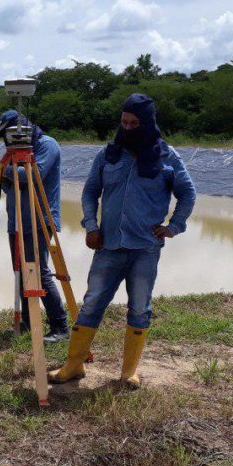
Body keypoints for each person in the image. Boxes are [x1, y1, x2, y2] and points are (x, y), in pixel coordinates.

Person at [49, 93, 196, 387]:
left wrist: (173, 227)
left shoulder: (167, 156)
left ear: (147, 123)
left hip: (145, 249)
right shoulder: (108, 155)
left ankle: (129, 372)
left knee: (140, 307)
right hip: (109, 247)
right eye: (124, 122)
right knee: (91, 305)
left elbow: (187, 193)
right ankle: (73, 365)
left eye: (134, 124)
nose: (127, 128)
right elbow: (90, 191)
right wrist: (91, 225)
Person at [0, 110, 69, 343]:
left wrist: (0, 167)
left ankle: (60, 326)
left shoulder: (47, 145)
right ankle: (30, 323)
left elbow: (33, 174)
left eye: (8, 132)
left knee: (38, 272)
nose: (7, 138)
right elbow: (12, 185)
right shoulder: (13, 153)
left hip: (39, 219)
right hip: (17, 220)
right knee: (21, 271)